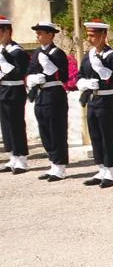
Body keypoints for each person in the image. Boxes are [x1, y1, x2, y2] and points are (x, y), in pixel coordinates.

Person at [77, 20, 113, 188]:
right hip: (92, 100)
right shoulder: (88, 55)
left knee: (107, 135)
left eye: (93, 35)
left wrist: (101, 70)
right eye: (88, 35)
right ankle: (101, 168)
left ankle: (111, 171)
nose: (89, 39)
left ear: (103, 35)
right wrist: (84, 83)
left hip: (105, 100)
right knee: (95, 135)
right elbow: (80, 74)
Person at [25, 22, 69, 181]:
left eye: (41, 33)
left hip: (54, 94)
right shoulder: (37, 52)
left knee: (56, 129)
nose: (38, 36)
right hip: (41, 94)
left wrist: (49, 68)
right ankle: (52, 163)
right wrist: (31, 78)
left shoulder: (57, 53)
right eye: (37, 33)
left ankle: (60, 166)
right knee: (44, 130)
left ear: (51, 35)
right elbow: (30, 70)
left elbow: (63, 76)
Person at [0, 16, 30, 173]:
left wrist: (4, 66)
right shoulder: (1, 50)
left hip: (14, 90)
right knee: (5, 125)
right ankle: (12, 156)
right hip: (3, 90)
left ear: (7, 31)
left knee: (16, 124)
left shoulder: (17, 51)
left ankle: (22, 159)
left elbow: (20, 72)